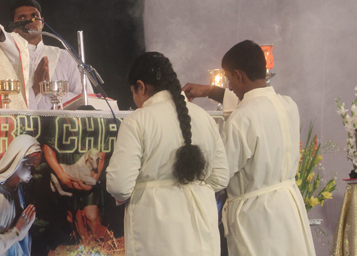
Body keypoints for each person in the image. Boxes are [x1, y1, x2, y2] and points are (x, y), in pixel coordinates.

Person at [183, 40, 315, 256]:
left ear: (239, 75)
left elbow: (219, 173)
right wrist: (210, 91)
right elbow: (254, 104)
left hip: (257, 218)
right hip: (289, 207)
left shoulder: (241, 120)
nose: (229, 86)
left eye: (229, 78)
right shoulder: (288, 105)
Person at [106, 52, 229, 256]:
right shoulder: (204, 117)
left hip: (156, 233)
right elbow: (221, 177)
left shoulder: (137, 120)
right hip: (201, 230)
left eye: (133, 92)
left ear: (141, 86)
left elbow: (118, 185)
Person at [10, 0, 92, 110]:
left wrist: (53, 93)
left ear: (42, 22)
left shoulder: (65, 57)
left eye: (34, 16)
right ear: (13, 26)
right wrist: (35, 90)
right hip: (22, 121)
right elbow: (5, 100)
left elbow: (87, 99)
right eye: (22, 18)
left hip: (63, 121)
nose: (29, 21)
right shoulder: (7, 57)